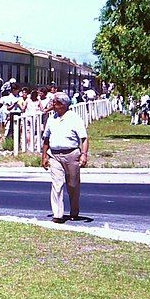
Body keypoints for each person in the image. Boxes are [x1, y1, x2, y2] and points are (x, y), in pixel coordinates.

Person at [41, 92, 89, 223]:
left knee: (73, 185)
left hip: (71, 154)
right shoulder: (52, 119)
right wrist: (44, 156)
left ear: (62, 105)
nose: (52, 105)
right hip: (55, 155)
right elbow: (46, 138)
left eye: (55, 103)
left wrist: (84, 155)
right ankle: (58, 214)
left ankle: (74, 211)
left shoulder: (74, 118)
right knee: (57, 184)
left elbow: (84, 138)